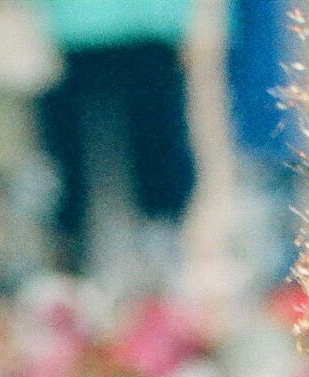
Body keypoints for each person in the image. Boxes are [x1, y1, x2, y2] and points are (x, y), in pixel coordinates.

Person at [35, 0, 196, 278]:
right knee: (79, 167)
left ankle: (150, 267)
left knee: (152, 157)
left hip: (107, 26)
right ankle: (76, 270)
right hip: (82, 28)